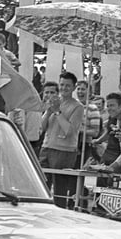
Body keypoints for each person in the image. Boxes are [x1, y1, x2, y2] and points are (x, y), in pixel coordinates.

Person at [40, 72, 84, 208]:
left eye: (68, 85)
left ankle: (60, 211)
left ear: (74, 87)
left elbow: (70, 131)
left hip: (64, 150)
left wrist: (58, 112)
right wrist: (48, 111)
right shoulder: (54, 101)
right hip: (46, 147)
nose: (64, 88)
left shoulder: (77, 107)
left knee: (60, 188)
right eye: (62, 84)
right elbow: (41, 127)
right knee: (41, 184)